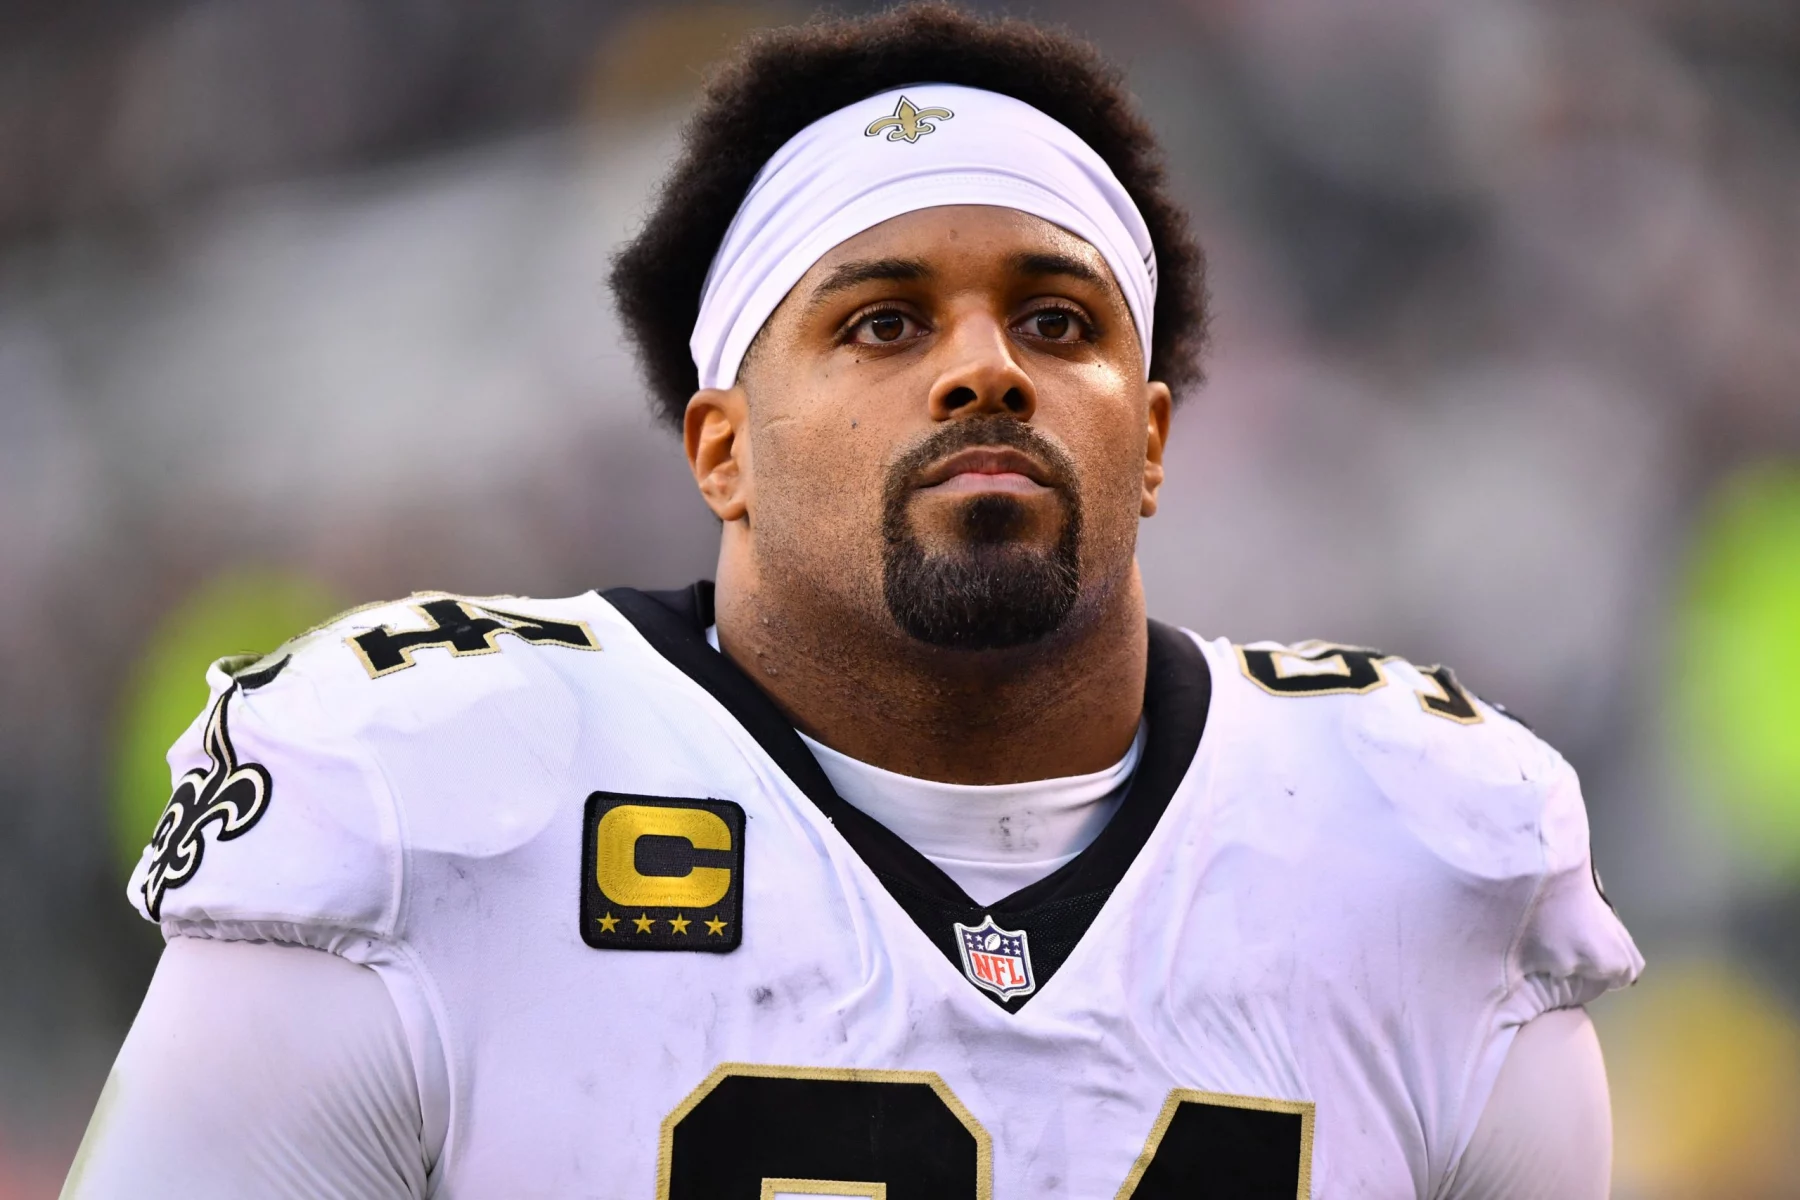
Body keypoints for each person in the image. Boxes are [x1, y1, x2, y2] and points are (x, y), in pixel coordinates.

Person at [63, 5, 1641, 1197]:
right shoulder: (430, 806)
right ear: (723, 449)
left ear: (1150, 440)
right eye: (884, 324)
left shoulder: (1422, 846)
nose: (984, 366)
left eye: (1057, 317)